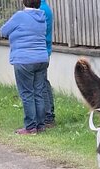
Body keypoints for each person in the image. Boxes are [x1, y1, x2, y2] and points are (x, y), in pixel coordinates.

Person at [0, 0, 48, 135]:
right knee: (38, 93)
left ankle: (31, 127)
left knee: (27, 93)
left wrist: (14, 35)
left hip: (24, 60)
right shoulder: (42, 17)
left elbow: (3, 31)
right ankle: (40, 125)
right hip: (42, 58)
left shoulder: (20, 16)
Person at [40, 0, 55, 128]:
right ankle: (49, 114)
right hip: (45, 50)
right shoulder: (44, 7)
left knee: (42, 84)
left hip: (41, 51)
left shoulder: (41, 10)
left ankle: (48, 116)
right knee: (44, 82)